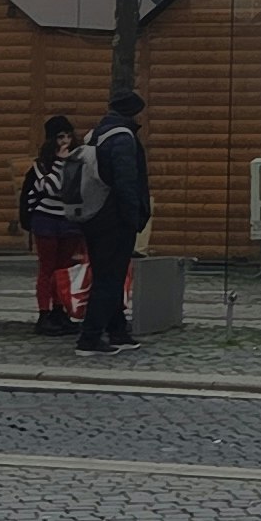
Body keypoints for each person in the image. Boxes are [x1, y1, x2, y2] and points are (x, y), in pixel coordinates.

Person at [78, 90, 150, 356]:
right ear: (133, 111)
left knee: (109, 275)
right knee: (109, 278)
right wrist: (133, 218)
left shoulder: (97, 134)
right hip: (114, 219)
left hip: (93, 215)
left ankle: (118, 331)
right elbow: (126, 183)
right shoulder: (122, 138)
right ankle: (90, 337)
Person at [18, 112, 86, 334]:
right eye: (59, 137)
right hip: (46, 220)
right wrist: (61, 162)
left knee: (63, 269)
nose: (65, 142)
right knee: (47, 268)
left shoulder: (79, 162)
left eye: (67, 136)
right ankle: (44, 313)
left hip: (69, 222)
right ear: (51, 141)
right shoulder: (41, 166)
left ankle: (60, 310)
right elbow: (53, 188)